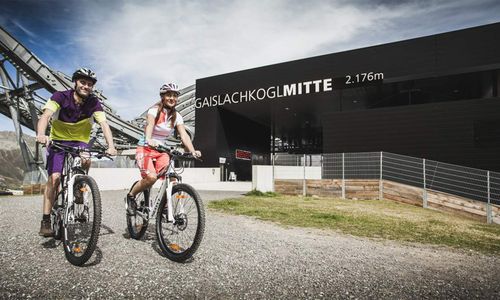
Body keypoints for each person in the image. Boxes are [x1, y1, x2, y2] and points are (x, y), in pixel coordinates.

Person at [36, 67, 117, 237]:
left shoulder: (94, 102)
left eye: (89, 84)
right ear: (75, 83)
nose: (86, 86)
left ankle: (79, 187)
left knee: (86, 159)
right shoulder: (60, 96)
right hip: (58, 140)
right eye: (83, 82)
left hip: (79, 142)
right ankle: (45, 220)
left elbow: (104, 124)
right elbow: (46, 116)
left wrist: (111, 146)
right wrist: (41, 134)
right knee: (55, 178)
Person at [126, 82, 201, 215]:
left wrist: (193, 150)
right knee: (151, 178)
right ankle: (131, 196)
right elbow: (149, 125)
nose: (172, 98)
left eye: (174, 96)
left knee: (172, 178)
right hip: (145, 148)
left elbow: (183, 135)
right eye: (169, 95)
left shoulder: (177, 116)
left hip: (162, 150)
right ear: (162, 96)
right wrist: (149, 139)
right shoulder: (154, 110)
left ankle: (165, 206)